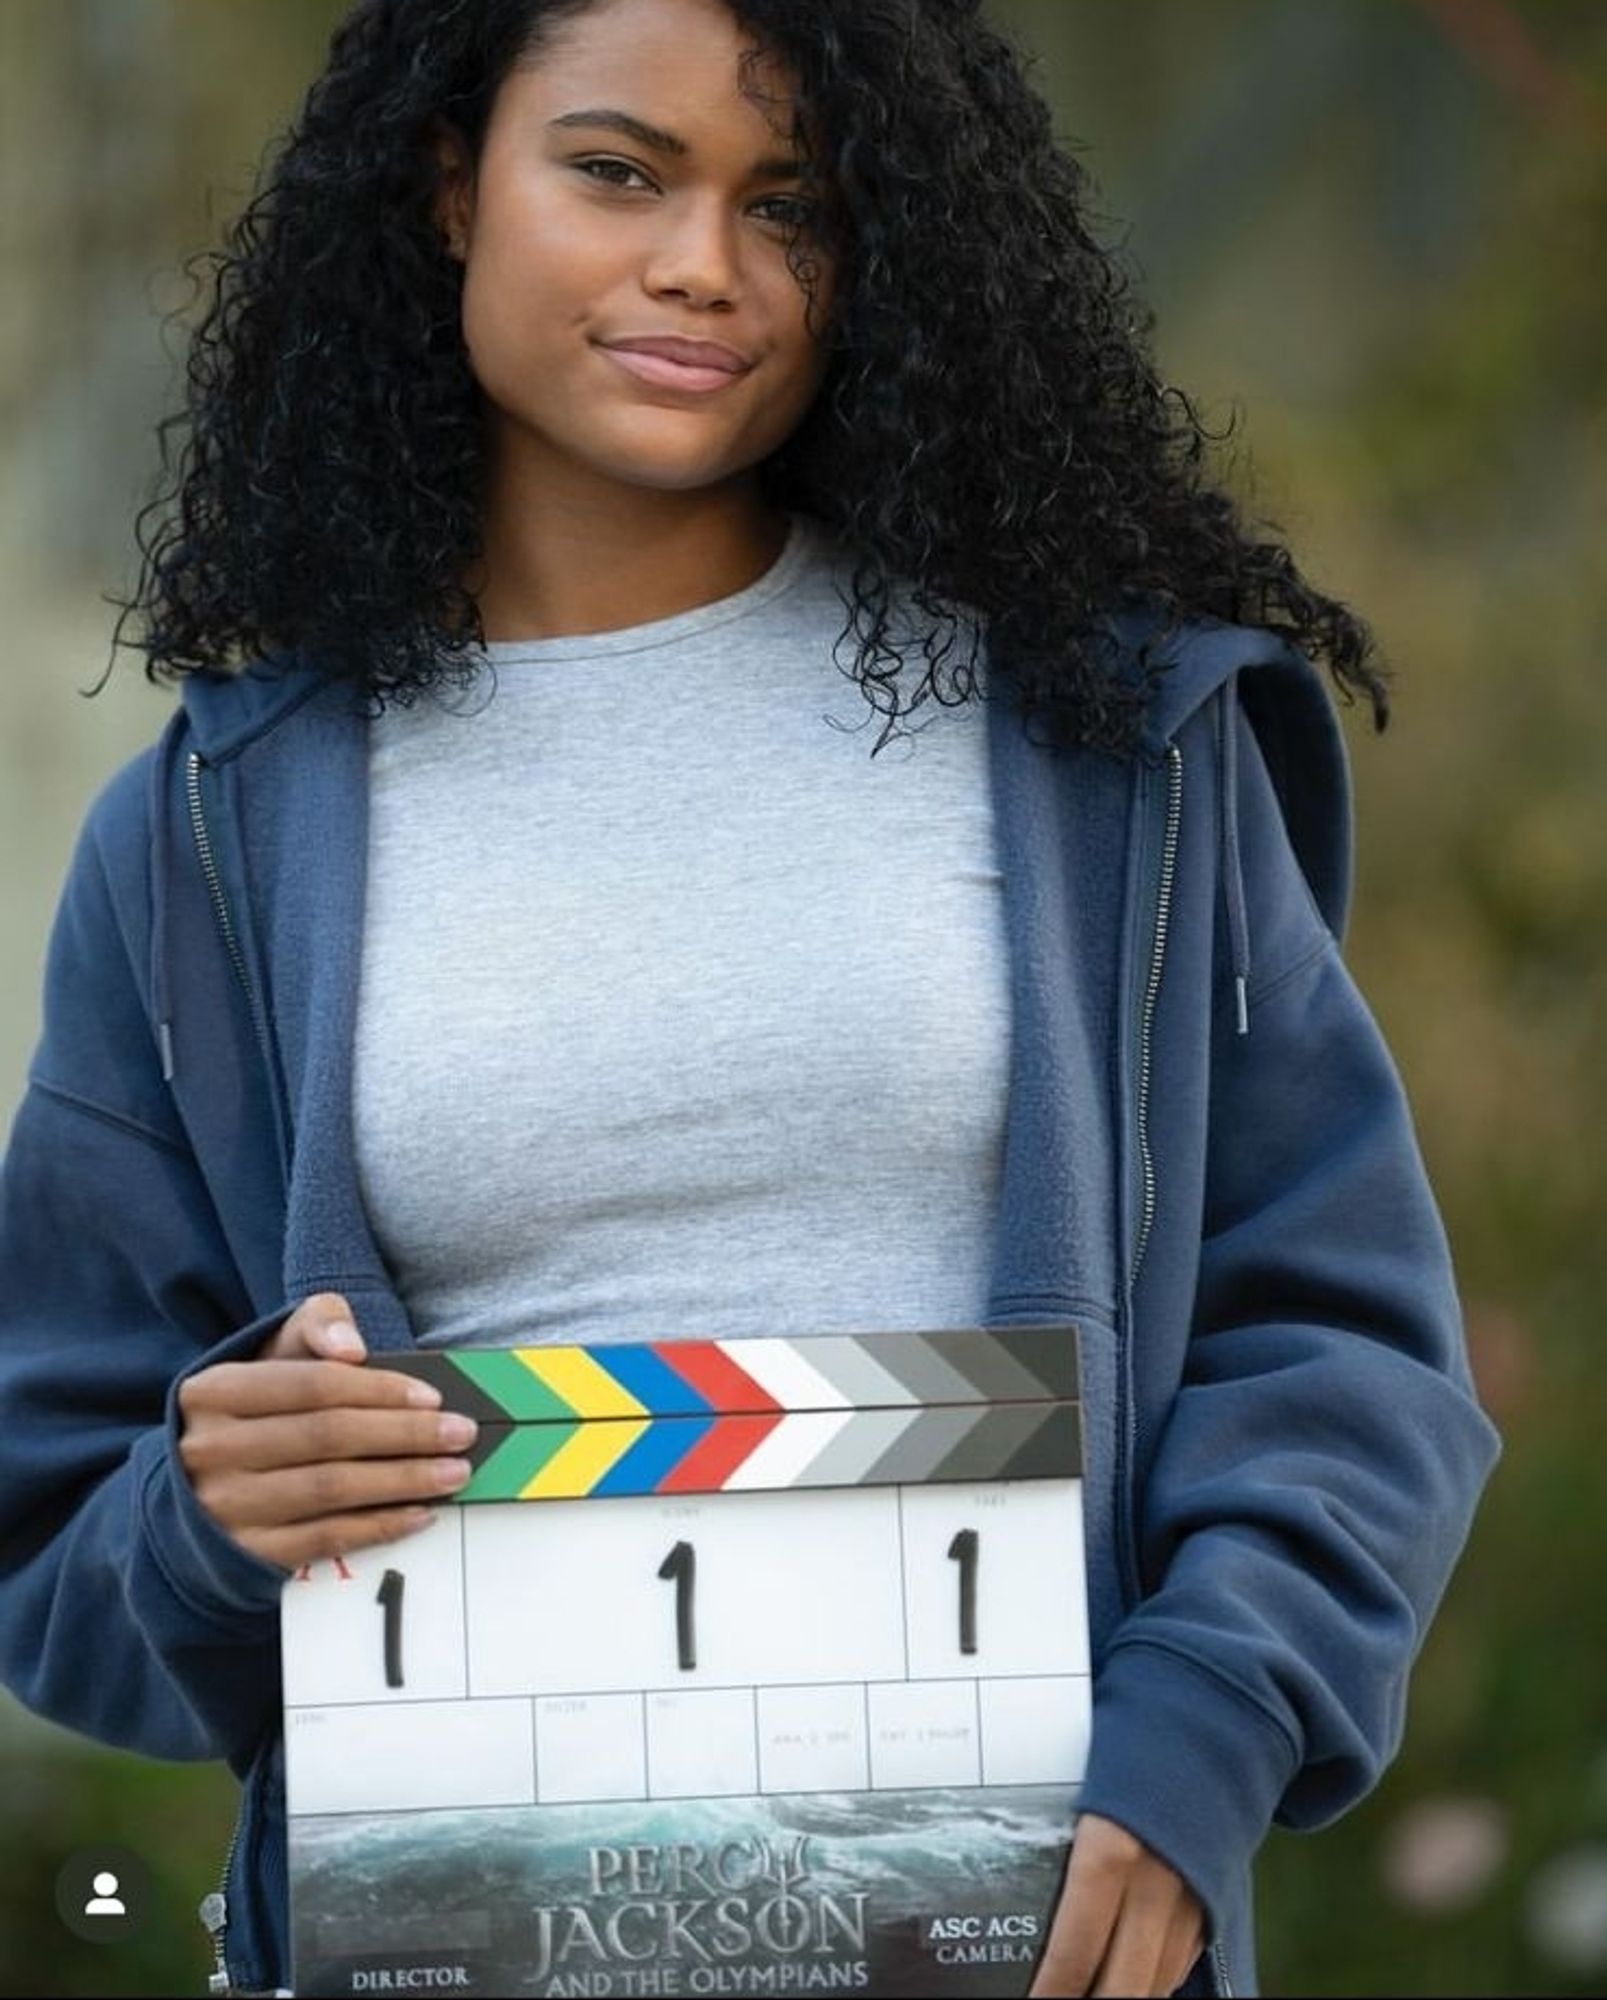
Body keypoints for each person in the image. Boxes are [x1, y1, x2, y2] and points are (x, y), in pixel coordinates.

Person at [0, 0, 1500, 1994]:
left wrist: (1212, 1721)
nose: (706, 264)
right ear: (449, 185)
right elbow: (54, 1519)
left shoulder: (1105, 741)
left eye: (791, 203)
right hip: (450, 1938)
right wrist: (204, 1509)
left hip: (1026, 1941)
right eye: (616, 170)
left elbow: (1339, 1337)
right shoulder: (206, 833)